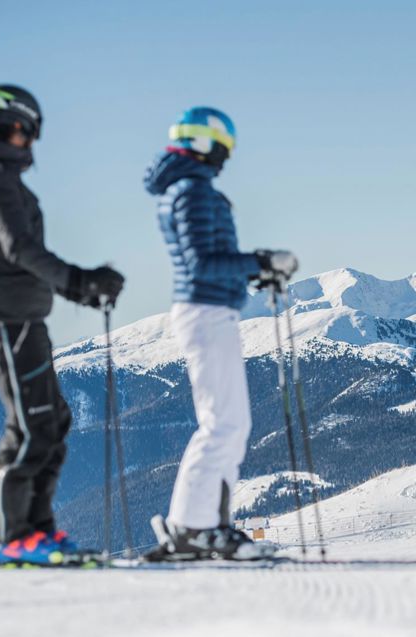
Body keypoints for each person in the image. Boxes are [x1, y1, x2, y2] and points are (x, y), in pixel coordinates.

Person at [0, 84, 125, 564]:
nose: (33, 139)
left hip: (24, 317)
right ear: (19, 125)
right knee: (31, 426)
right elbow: (18, 248)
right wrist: (78, 280)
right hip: (5, 318)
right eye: (32, 129)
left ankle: (34, 529)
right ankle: (8, 537)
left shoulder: (2, 178)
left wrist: (78, 289)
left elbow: (22, 254)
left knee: (53, 421)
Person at [142, 106, 297, 560]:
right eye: (223, 146)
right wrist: (262, 262)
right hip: (207, 312)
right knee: (225, 423)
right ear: (206, 144)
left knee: (225, 422)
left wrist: (253, 270)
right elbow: (202, 263)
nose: (226, 156)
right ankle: (198, 527)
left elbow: (207, 260)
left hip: (208, 308)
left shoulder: (185, 189)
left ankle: (195, 526)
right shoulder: (192, 192)